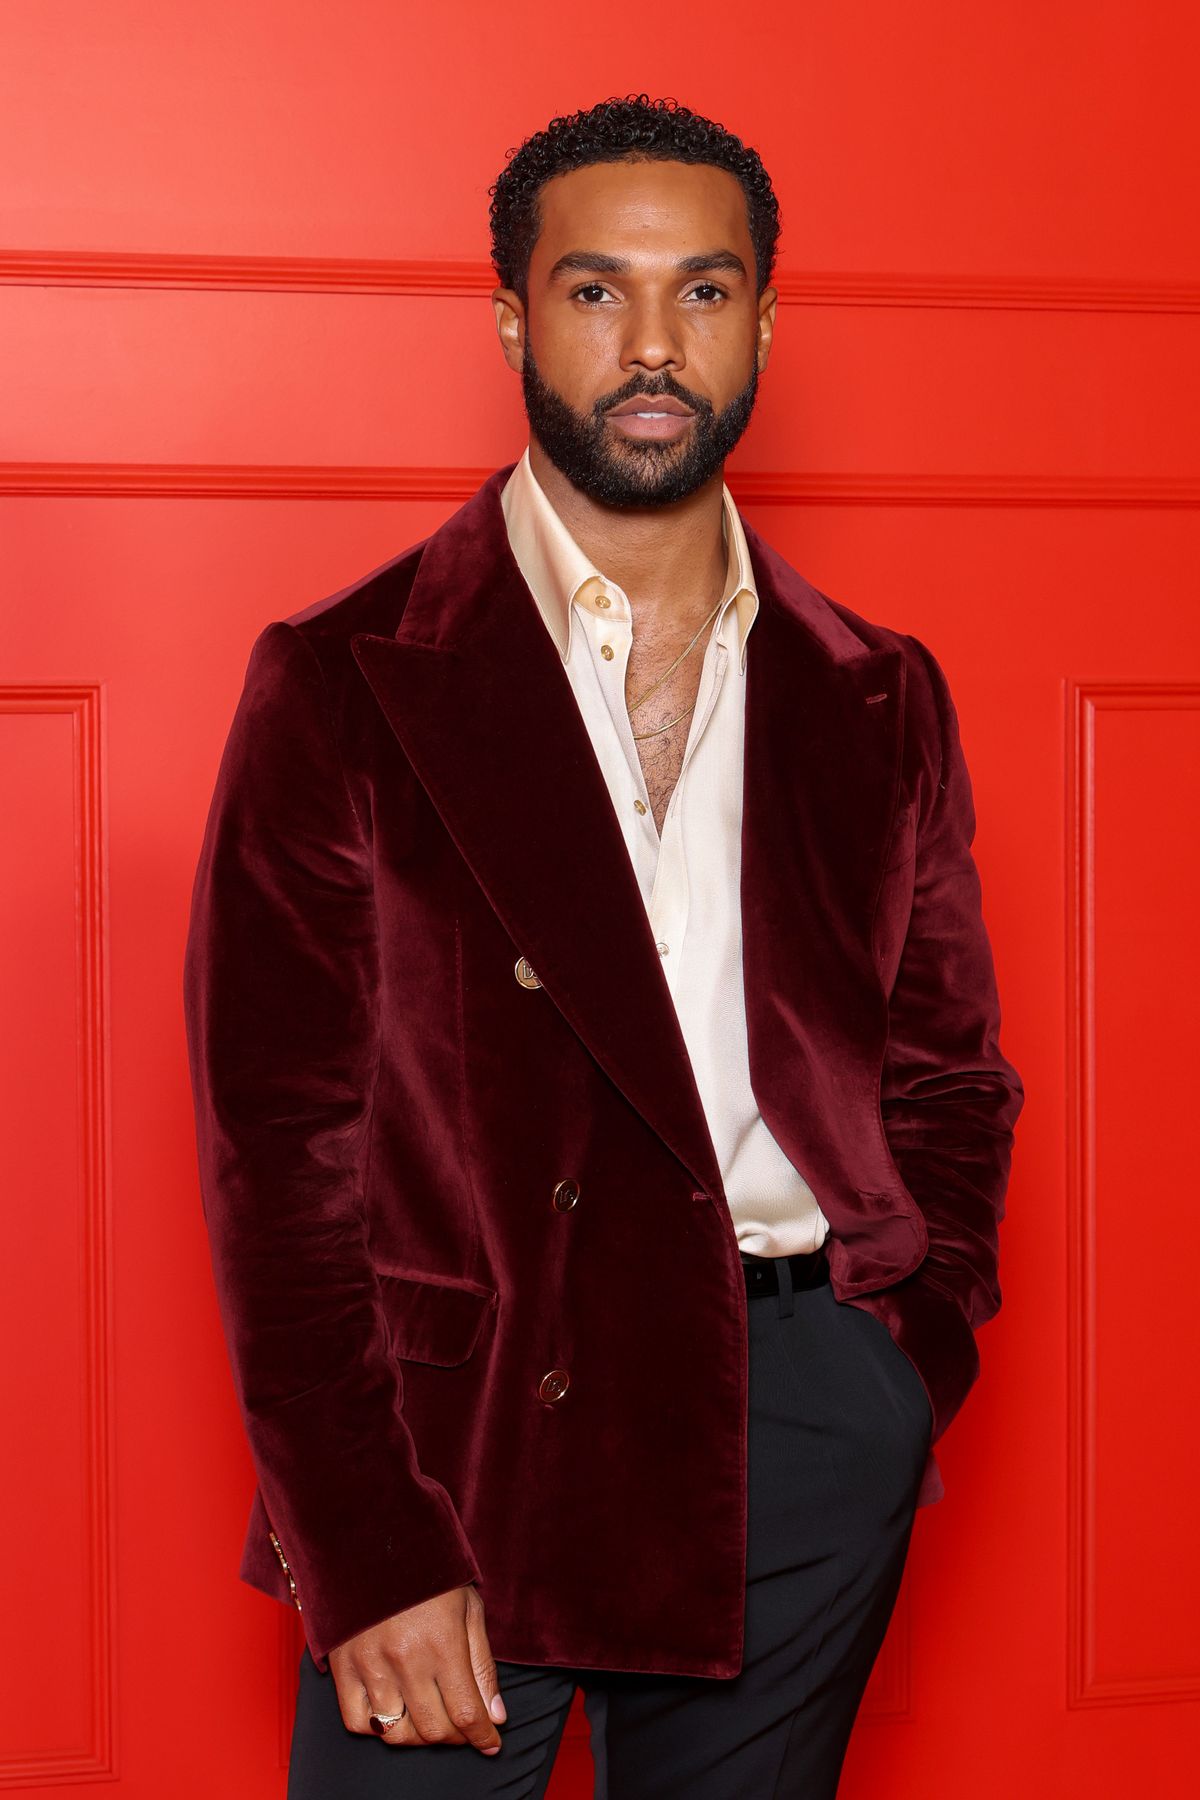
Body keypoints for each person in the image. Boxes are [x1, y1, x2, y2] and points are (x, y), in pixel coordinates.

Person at [183, 93, 1024, 1799]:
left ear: (765, 322)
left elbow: (949, 1076)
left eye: (704, 293)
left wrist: (897, 1371)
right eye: (595, 292)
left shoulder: (879, 696)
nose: (653, 344)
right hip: (465, 1439)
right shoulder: (347, 679)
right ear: (512, 316)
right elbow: (278, 1159)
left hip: (787, 1417)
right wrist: (365, 1539)